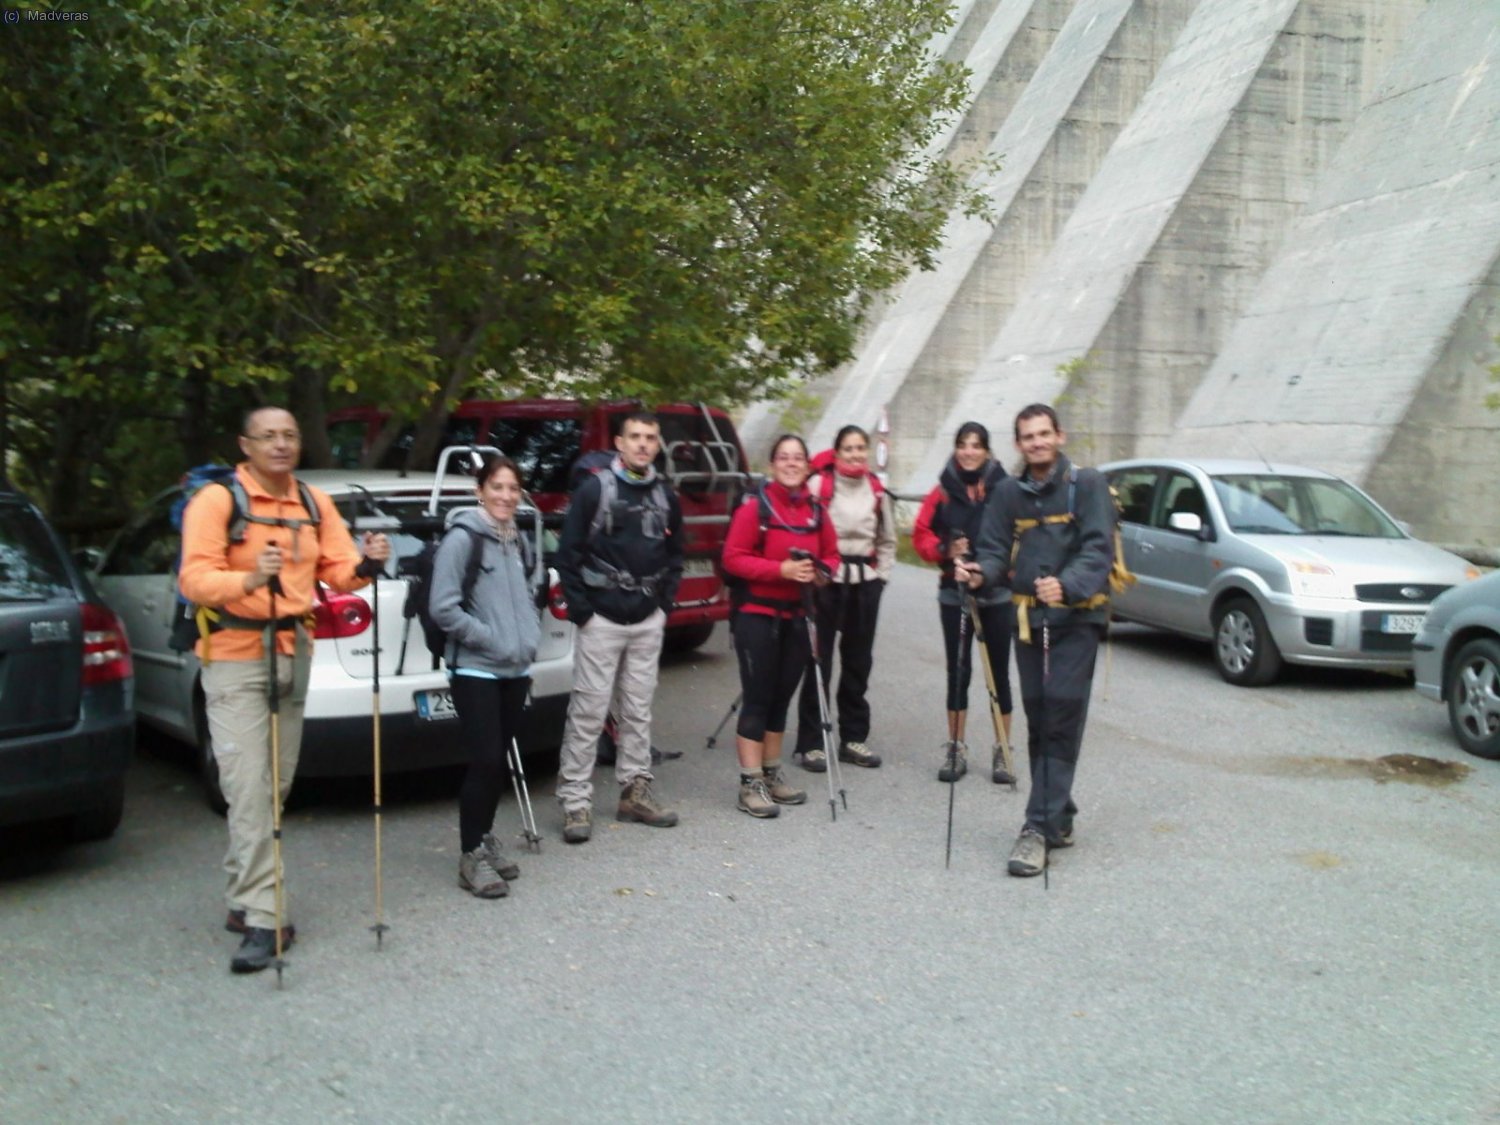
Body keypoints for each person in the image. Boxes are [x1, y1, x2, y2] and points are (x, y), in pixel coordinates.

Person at [179, 406, 390, 973]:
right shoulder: (217, 501)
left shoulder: (312, 503)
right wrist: (250, 577)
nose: (280, 444)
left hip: (295, 654)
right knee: (247, 788)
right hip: (234, 656)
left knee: (273, 785)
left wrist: (367, 564)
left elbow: (337, 570)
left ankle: (241, 895)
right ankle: (267, 918)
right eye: (268, 436)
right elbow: (193, 578)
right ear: (245, 445)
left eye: (290, 435)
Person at [969, 404, 1117, 878]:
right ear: (1018, 444)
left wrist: (1067, 585)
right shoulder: (1007, 493)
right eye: (1028, 436)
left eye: (1043, 434)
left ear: (1059, 435)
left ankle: (1036, 828)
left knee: (1060, 716)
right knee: (1040, 718)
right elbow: (994, 549)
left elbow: (1098, 547)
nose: (1036, 442)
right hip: (1030, 622)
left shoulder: (1087, 484)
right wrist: (979, 573)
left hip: (1077, 620)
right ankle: (1060, 811)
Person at [554, 411, 684, 843]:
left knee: (637, 709)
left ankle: (635, 791)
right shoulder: (595, 490)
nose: (643, 444)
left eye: (650, 438)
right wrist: (583, 613)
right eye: (636, 437)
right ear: (620, 443)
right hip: (602, 619)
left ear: (658, 445)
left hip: (646, 618)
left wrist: (663, 605)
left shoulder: (665, 495)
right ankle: (575, 801)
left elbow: (676, 554)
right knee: (589, 712)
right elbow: (568, 554)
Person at [428, 454, 541, 899]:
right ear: (480, 491)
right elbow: (443, 607)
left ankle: (484, 837)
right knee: (486, 759)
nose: (506, 496)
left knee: (498, 762)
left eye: (513, 488)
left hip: (515, 667)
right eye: (497, 487)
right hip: (476, 667)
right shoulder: (462, 539)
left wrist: (526, 638)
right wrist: (491, 639)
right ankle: (471, 855)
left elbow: (528, 594)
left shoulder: (517, 539)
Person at [721, 435, 840, 816]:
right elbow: (733, 558)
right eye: (783, 458)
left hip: (798, 616)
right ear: (772, 465)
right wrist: (781, 570)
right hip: (757, 615)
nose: (791, 464)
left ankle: (771, 773)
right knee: (758, 696)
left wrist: (821, 573)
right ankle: (750, 783)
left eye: (797, 458)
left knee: (781, 697)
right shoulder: (754, 509)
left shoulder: (817, 511)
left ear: (807, 466)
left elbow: (832, 555)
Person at [912, 421, 1014, 784]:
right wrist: (944, 549)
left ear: (987, 450)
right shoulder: (942, 491)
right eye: (963, 444)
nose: (969, 451)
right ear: (956, 449)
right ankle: (956, 747)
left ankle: (1003, 749)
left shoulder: (1005, 489)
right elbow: (920, 535)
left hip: (997, 592)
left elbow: (1020, 535)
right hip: (953, 592)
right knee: (958, 672)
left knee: (998, 673)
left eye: (976, 445)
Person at [792, 425, 895, 771]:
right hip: (826, 582)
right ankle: (811, 742)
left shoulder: (876, 490)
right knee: (818, 661)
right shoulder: (819, 485)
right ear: (836, 453)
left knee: (858, 662)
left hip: (864, 583)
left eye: (860, 448)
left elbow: (887, 540)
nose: (855, 455)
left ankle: (853, 738)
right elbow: (804, 530)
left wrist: (881, 578)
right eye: (848, 449)